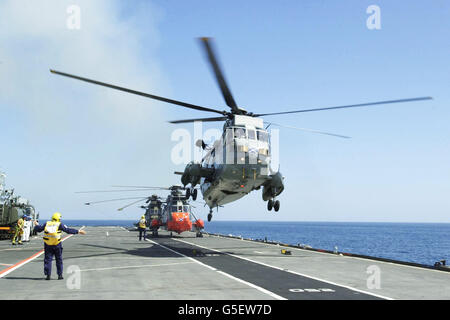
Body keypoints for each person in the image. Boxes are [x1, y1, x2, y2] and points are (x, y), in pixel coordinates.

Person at [33, 212, 86, 280]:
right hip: (57, 244)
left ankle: (48, 275)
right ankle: (60, 275)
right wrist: (78, 231)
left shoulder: (47, 223)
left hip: (48, 245)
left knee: (48, 260)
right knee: (59, 260)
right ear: (58, 219)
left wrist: (36, 225)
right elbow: (68, 230)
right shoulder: (59, 224)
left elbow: (39, 229)